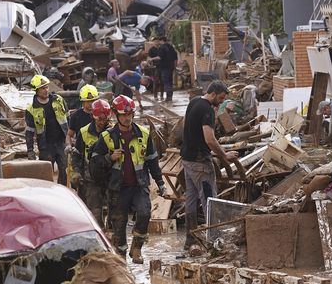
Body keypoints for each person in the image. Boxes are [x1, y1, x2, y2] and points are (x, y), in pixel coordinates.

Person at [90, 95, 166, 264]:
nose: (127, 117)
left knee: (145, 213)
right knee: (119, 223)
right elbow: (94, 161)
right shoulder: (107, 137)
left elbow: (153, 161)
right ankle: (122, 256)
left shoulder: (144, 134)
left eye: (129, 114)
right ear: (116, 115)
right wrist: (110, 158)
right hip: (118, 187)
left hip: (139, 184)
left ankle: (137, 248)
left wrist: (160, 182)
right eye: (123, 115)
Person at [181, 81, 238, 250]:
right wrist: (224, 155)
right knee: (209, 200)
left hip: (187, 159)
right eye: (220, 98)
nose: (221, 102)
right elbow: (209, 138)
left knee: (190, 199)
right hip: (200, 163)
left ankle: (190, 240)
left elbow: (186, 126)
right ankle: (213, 243)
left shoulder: (194, 101)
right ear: (213, 94)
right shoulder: (207, 110)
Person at [71, 99, 112, 226]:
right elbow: (77, 155)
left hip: (112, 176)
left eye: (104, 119)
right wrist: (76, 172)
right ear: (93, 117)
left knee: (115, 213)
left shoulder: (114, 132)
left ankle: (113, 238)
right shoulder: (84, 132)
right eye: (98, 119)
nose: (101, 122)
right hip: (91, 178)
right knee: (95, 212)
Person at [25, 74, 69, 185]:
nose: (46, 90)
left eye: (46, 87)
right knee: (46, 174)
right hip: (46, 146)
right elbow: (29, 132)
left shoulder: (58, 100)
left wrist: (71, 139)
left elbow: (69, 119)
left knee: (65, 170)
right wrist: (30, 151)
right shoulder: (31, 109)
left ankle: (61, 193)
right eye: (42, 88)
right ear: (36, 90)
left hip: (61, 142)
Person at [149, 36, 177, 102]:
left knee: (166, 82)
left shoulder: (162, 47)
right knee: (170, 82)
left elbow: (159, 57)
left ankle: (168, 97)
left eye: (159, 41)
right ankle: (170, 96)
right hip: (171, 67)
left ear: (161, 41)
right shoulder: (171, 47)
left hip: (164, 68)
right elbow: (175, 58)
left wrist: (151, 59)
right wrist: (174, 66)